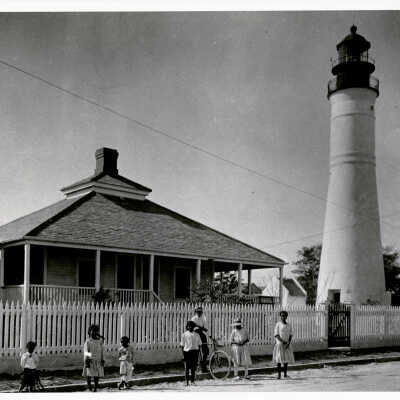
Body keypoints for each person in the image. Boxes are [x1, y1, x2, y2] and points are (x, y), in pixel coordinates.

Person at [273, 310, 295, 379]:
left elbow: (291, 334)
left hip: (287, 345)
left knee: (286, 359)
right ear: (280, 316)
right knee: (279, 359)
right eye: (282, 316)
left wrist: (288, 342)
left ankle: (285, 374)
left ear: (286, 316)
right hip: (280, 344)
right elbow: (276, 335)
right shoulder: (278, 324)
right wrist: (283, 341)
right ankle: (279, 375)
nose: (283, 317)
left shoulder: (289, 325)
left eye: (284, 315)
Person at [83, 324, 105, 392]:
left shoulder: (100, 341)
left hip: (98, 360)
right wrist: (87, 360)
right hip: (90, 360)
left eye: (96, 331)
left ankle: (95, 387)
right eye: (93, 331)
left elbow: (102, 350)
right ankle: (89, 386)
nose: (95, 333)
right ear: (89, 332)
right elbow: (86, 350)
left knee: (97, 375)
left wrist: (103, 359)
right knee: (89, 374)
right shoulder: (88, 341)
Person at [180, 320, 202, 386]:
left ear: (193, 327)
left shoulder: (197, 335)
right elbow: (182, 345)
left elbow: (199, 344)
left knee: (193, 367)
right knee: (186, 367)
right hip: (187, 352)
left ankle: (192, 381)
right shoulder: (184, 334)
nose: (190, 327)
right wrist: (183, 355)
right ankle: (186, 381)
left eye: (191, 326)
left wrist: (199, 355)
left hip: (195, 352)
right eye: (188, 326)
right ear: (187, 327)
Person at [191, 306, 209, 372]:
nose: (199, 313)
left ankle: (203, 366)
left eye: (200, 312)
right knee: (196, 352)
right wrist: (200, 327)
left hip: (201, 335)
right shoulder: (193, 319)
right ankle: (196, 367)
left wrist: (198, 327)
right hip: (195, 336)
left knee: (206, 351)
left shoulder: (203, 318)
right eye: (198, 312)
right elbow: (192, 328)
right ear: (196, 312)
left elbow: (206, 329)